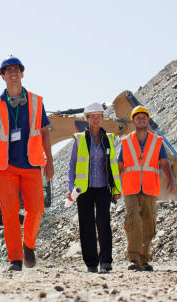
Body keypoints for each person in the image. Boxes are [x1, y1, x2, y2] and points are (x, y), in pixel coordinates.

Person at [0, 55, 54, 271]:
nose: (13, 73)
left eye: (16, 69)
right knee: (9, 213)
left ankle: (28, 245)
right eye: (8, 70)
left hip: (31, 164)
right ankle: (15, 259)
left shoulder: (36, 101)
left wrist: (49, 160)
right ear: (2, 76)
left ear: (22, 73)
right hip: (6, 167)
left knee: (37, 209)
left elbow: (45, 133)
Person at [118, 105, 174, 272]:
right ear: (133, 121)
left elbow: (164, 163)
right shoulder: (126, 141)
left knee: (149, 224)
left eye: (144, 117)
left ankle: (144, 258)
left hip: (150, 188)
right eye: (138, 117)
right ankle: (133, 258)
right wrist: (114, 186)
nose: (141, 120)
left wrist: (170, 179)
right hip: (130, 188)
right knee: (133, 220)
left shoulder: (157, 141)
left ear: (147, 120)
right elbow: (120, 165)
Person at [67, 102, 121, 273]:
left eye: (99, 116)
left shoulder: (109, 139)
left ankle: (105, 261)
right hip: (83, 189)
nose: (96, 119)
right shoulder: (80, 139)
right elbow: (72, 165)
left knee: (104, 223)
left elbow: (113, 166)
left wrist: (115, 189)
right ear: (87, 118)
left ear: (102, 118)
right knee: (86, 225)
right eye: (93, 116)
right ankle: (91, 263)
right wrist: (70, 187)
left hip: (104, 187)